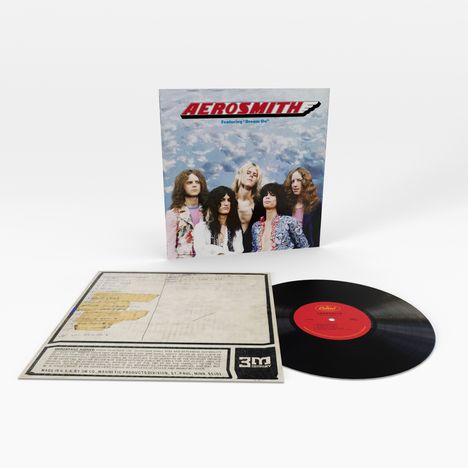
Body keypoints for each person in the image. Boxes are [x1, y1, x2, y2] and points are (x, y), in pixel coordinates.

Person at [251, 183, 309, 252]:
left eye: (272, 195)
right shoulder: (256, 226)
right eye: (265, 195)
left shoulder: (289, 221)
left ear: (278, 198)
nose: (267, 197)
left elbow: (305, 247)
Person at [165, 169, 208, 259]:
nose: (194, 185)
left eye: (197, 182)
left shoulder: (208, 212)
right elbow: (170, 246)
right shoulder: (173, 214)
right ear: (182, 186)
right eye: (189, 182)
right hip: (184, 261)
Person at [193, 186, 243, 256]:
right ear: (214, 202)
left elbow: (239, 253)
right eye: (222, 200)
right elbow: (200, 250)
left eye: (229, 200)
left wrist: (217, 252)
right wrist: (221, 253)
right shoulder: (201, 227)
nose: (226, 203)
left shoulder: (236, 229)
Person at [283, 167, 322, 247]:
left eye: (299, 180)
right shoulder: (287, 207)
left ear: (305, 182)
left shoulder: (316, 205)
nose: (295, 185)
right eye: (292, 181)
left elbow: (317, 236)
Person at [231, 162, 262, 232]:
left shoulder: (259, 204)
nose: (251, 175)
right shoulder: (229, 200)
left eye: (255, 175)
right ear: (240, 175)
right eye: (248, 173)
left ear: (257, 180)